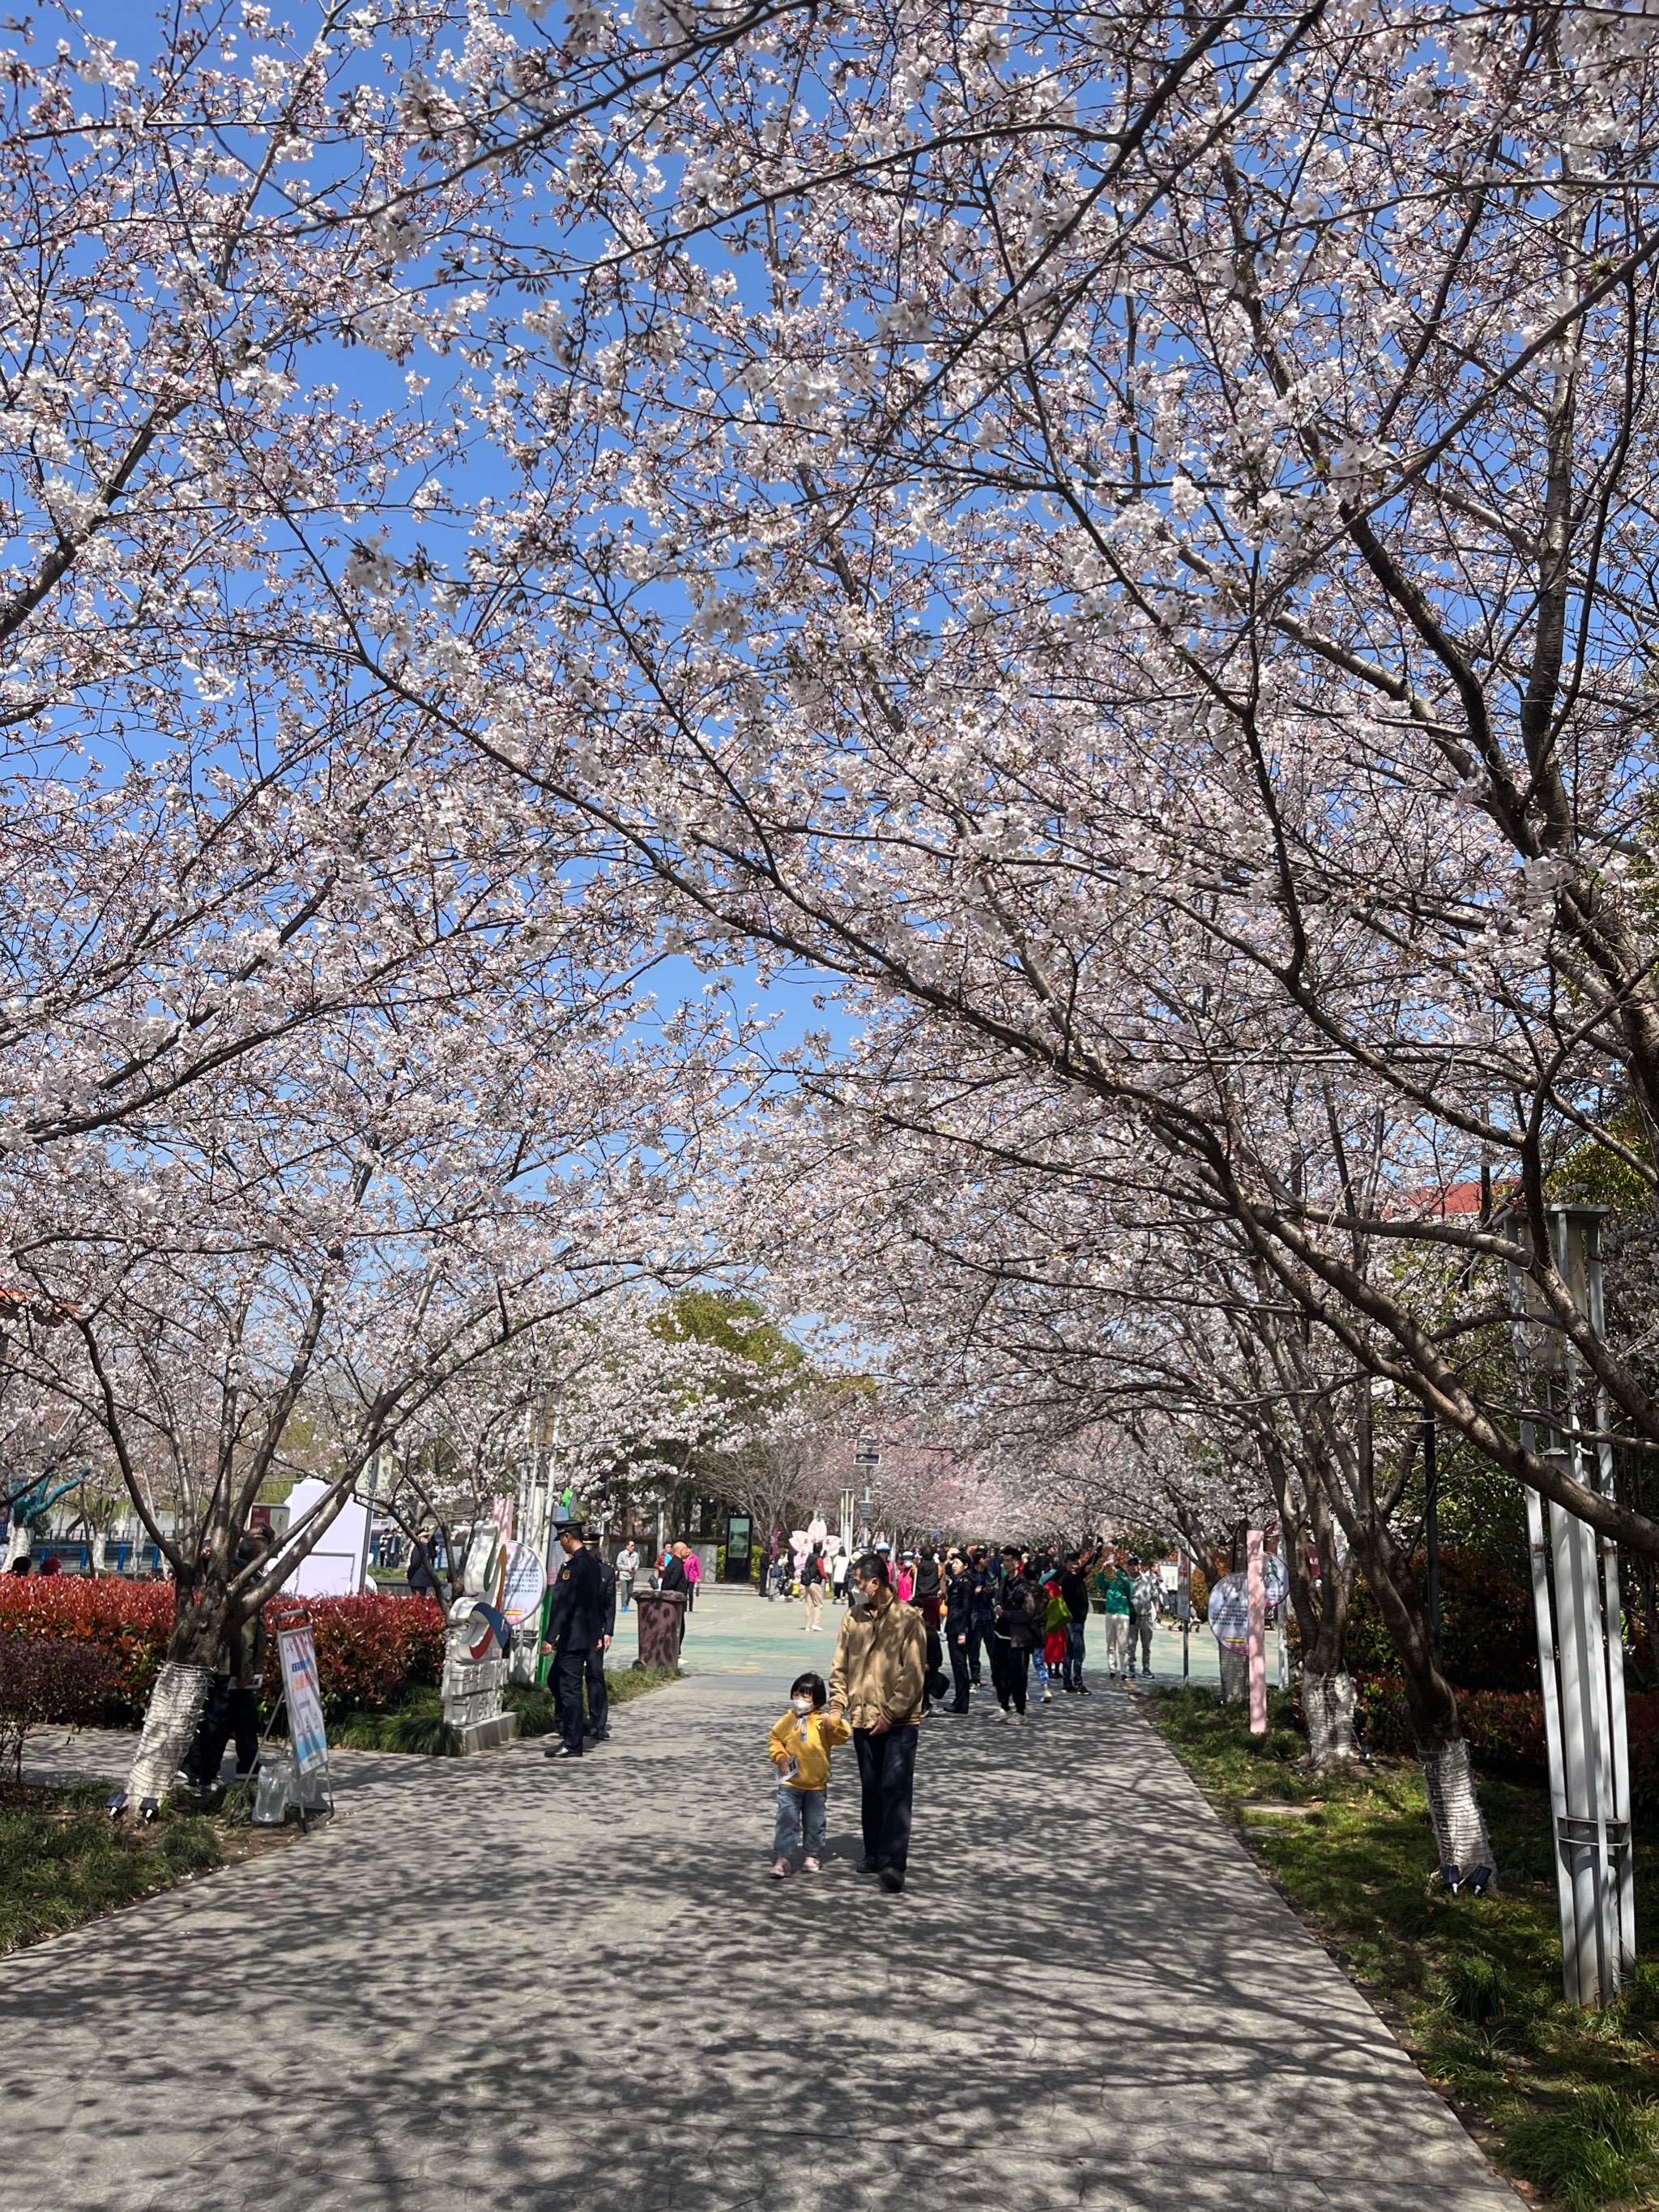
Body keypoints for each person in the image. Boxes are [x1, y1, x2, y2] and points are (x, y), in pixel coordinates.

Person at [827, 1552, 927, 1893]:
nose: (855, 1588)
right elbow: (840, 1666)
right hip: (861, 1717)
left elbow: (913, 1674)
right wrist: (837, 1705)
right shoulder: (852, 1618)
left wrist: (890, 1714)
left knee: (895, 1790)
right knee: (871, 1789)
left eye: (858, 1583)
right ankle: (872, 1853)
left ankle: (893, 1862)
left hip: (900, 1721)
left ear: (876, 1582)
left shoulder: (908, 1618)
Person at [184, 1526, 274, 1787]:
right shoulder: (245, 1584)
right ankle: (200, 1771)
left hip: (224, 1664)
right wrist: (247, 1672)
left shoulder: (232, 1577)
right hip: (228, 1667)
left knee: (232, 1718)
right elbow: (246, 1635)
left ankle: (211, 1767)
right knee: (217, 1720)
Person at [767, 1669, 851, 1876]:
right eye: (796, 1694)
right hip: (790, 1784)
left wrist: (835, 1723)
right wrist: (779, 1756)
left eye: (805, 1696)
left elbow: (843, 1736)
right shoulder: (787, 1720)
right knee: (787, 1819)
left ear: (817, 1699)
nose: (799, 1700)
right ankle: (783, 1858)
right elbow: (774, 1737)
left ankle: (813, 1855)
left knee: (815, 1822)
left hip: (816, 1785)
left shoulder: (823, 1721)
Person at [540, 1521, 606, 1760]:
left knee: (570, 1690)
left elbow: (563, 1606)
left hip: (573, 1638)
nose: (562, 1544)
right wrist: (596, 1634)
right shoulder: (592, 1564)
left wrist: (550, 1638)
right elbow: (596, 1603)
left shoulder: (574, 1567)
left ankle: (572, 1741)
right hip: (585, 1636)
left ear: (568, 1536)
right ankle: (576, 1726)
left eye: (562, 1539)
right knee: (555, 1679)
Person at [991, 1545, 1038, 1722]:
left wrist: (1006, 1614)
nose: (1005, 1563)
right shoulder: (1003, 1581)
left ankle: (1020, 1711)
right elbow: (998, 1600)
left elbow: (1028, 1613)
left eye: (1008, 1560)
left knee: (1017, 1676)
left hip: (1018, 1639)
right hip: (1000, 1635)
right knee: (998, 1673)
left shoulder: (1024, 1586)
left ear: (1018, 1563)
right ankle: (1004, 1706)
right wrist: (997, 1607)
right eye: (1003, 1560)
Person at [582, 1531, 616, 1741]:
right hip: (576, 1632)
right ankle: (579, 1721)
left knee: (595, 1676)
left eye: (591, 1548)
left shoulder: (606, 1572)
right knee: (572, 1678)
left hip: (597, 1633)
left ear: (596, 1548)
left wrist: (608, 1632)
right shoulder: (572, 1570)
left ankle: (599, 1723)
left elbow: (609, 1605)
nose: (588, 1552)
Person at [1059, 1546, 1096, 1694]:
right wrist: (1086, 1570)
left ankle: (1067, 1682)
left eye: (1078, 1561)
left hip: (1076, 1621)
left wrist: (1096, 1554)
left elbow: (1083, 1572)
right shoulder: (1069, 1579)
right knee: (1078, 1652)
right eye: (1073, 1561)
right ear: (1067, 1563)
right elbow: (1081, 1575)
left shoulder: (1074, 1578)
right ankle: (1078, 1683)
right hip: (1074, 1622)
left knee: (1069, 1652)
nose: (1076, 1563)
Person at [943, 1551, 974, 1713]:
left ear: (966, 1566)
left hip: (959, 1628)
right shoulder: (956, 1581)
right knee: (956, 1666)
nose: (954, 1566)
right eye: (953, 1563)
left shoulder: (966, 1583)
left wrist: (963, 1632)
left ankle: (963, 1703)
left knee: (960, 1665)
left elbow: (966, 1608)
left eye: (957, 1563)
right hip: (952, 1626)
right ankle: (959, 1699)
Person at [967, 1548, 997, 1687]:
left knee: (993, 1649)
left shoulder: (989, 1574)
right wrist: (976, 1591)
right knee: (974, 1650)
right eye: (987, 1558)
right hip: (975, 1617)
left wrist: (991, 1591)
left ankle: (997, 1675)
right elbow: (965, 1595)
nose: (989, 1560)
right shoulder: (970, 1575)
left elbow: (994, 1592)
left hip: (988, 1616)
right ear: (981, 1560)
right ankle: (975, 1677)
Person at [1101, 1552, 1133, 1678]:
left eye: (1120, 1573)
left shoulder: (1127, 1585)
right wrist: (1103, 1569)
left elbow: (1123, 1579)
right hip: (1110, 1615)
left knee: (1122, 1645)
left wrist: (1115, 1568)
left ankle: (1124, 1671)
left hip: (1123, 1615)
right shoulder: (1111, 1585)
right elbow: (1100, 1580)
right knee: (1110, 1644)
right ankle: (1112, 1669)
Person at [1129, 1556, 1159, 1680]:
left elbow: (1155, 1596)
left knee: (1146, 1645)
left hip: (1146, 1616)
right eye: (1130, 1564)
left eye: (1135, 1564)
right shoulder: (1126, 1581)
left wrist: (1157, 1611)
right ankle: (1131, 1666)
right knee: (1131, 1644)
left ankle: (1146, 1667)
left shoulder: (1147, 1580)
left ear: (1139, 1566)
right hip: (1132, 1617)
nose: (1133, 1567)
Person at [406, 1528, 439, 1599]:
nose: (427, 1539)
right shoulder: (421, 1548)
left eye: (427, 1537)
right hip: (419, 1578)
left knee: (418, 1599)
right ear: (420, 1538)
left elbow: (415, 1563)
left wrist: (409, 1573)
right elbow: (416, 1562)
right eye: (425, 1537)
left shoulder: (422, 1548)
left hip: (418, 1579)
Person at [801, 1542, 825, 1632]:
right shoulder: (819, 1559)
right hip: (815, 1583)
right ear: (820, 1549)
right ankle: (816, 1624)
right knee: (818, 1604)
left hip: (807, 1582)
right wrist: (826, 1578)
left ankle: (807, 1626)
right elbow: (822, 1572)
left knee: (808, 1605)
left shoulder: (809, 1557)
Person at [614, 1538, 639, 1613]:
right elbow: (618, 1564)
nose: (633, 1547)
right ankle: (623, 1605)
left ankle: (627, 1603)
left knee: (630, 1592)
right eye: (631, 1546)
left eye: (634, 1546)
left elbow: (637, 1564)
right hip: (623, 1575)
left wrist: (634, 1569)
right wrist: (626, 1568)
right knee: (624, 1591)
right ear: (627, 1546)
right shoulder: (621, 1554)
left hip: (631, 1575)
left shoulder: (635, 1555)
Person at [683, 1544, 702, 1612]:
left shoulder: (695, 1558)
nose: (686, 1551)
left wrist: (699, 1577)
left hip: (691, 1577)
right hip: (684, 1577)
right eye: (685, 1549)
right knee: (684, 1593)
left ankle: (690, 1608)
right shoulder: (683, 1557)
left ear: (691, 1549)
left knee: (690, 1592)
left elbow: (698, 1568)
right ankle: (684, 1608)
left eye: (687, 1549)